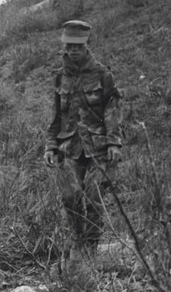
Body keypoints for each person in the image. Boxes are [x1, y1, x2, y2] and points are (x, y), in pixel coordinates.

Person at [43, 20, 123, 265]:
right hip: (70, 147)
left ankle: (91, 246)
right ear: (65, 46)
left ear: (87, 43)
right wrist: (50, 144)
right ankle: (79, 242)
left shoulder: (102, 73)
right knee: (70, 196)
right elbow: (56, 114)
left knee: (94, 197)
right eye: (70, 45)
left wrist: (113, 143)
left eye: (78, 45)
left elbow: (112, 110)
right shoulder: (59, 77)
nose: (74, 50)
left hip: (98, 146)